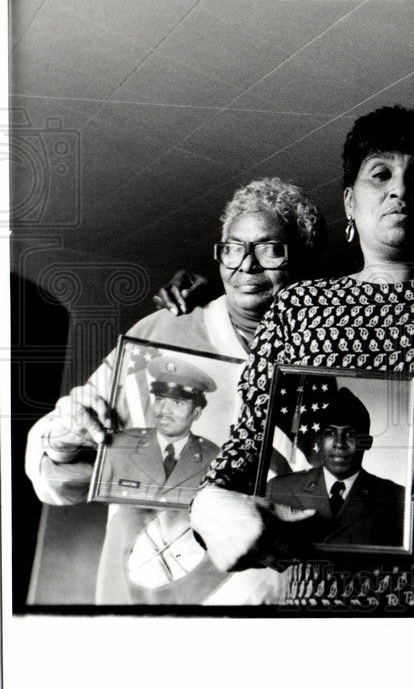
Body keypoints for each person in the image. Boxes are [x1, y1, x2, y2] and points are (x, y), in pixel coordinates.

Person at [190, 105, 414, 608]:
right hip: (321, 602)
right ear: (350, 201)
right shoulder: (298, 307)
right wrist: (209, 508)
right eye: (381, 174)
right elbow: (243, 455)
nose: (400, 189)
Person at [24, 177, 324, 604]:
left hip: (268, 615)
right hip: (141, 608)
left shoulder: (329, 357)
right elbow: (49, 477)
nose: (247, 266)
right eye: (234, 248)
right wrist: (60, 438)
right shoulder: (161, 334)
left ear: (303, 257)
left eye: (271, 249)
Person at [266, 388, 405, 549]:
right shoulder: (279, 489)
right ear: (318, 441)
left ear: (367, 442)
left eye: (350, 434)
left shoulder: (395, 499)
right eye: (330, 433)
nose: (339, 443)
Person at [95, 357, 220, 507]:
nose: (164, 410)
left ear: (196, 413)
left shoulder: (215, 459)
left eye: (178, 403)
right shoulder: (120, 445)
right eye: (160, 400)